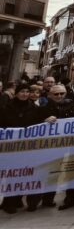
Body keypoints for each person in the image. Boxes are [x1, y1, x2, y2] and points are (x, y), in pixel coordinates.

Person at [1, 83, 37, 214]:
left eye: (27, 91)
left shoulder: (33, 107)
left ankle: (17, 199)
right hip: (10, 146)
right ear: (16, 93)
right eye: (22, 91)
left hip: (26, 147)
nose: (25, 94)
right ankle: (8, 202)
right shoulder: (6, 107)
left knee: (23, 173)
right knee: (11, 173)